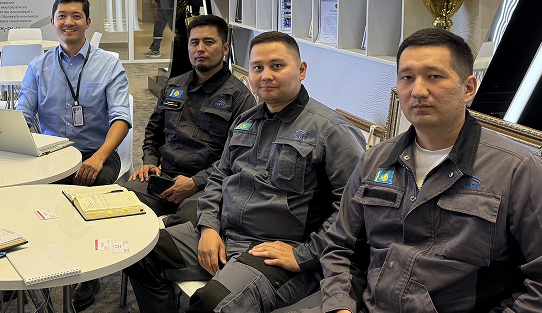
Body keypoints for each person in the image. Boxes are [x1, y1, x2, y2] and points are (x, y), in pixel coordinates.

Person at [320, 28, 542, 313]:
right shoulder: (374, 161)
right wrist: (340, 306)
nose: (418, 91)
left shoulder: (520, 170)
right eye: (407, 77)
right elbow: (340, 248)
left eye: (434, 76)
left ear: (468, 88)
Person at [125, 31, 365, 313]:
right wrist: (208, 226)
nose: (266, 76)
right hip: (225, 234)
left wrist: (305, 254)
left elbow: (355, 209)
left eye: (277, 66)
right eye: (257, 67)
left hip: (276, 252)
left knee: (211, 304)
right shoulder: (245, 121)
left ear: (301, 70)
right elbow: (219, 178)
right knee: (139, 254)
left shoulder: (332, 131)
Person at [16, 0, 131, 311]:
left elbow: (121, 118)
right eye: (62, 16)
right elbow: (24, 114)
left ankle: (89, 273)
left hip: (97, 151)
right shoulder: (38, 66)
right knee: (18, 193)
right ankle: (28, 264)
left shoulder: (109, 65)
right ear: (53, 23)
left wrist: (99, 157)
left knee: (88, 190)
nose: (69, 22)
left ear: (87, 22)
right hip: (52, 153)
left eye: (76, 16)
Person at [120, 14, 255, 217]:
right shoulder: (173, 86)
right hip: (165, 179)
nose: (200, 49)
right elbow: (153, 131)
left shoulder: (240, 98)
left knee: (185, 222)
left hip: (209, 186)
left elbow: (239, 156)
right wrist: (150, 161)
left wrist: (195, 182)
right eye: (194, 42)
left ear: (225, 48)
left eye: (209, 42)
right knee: (120, 203)